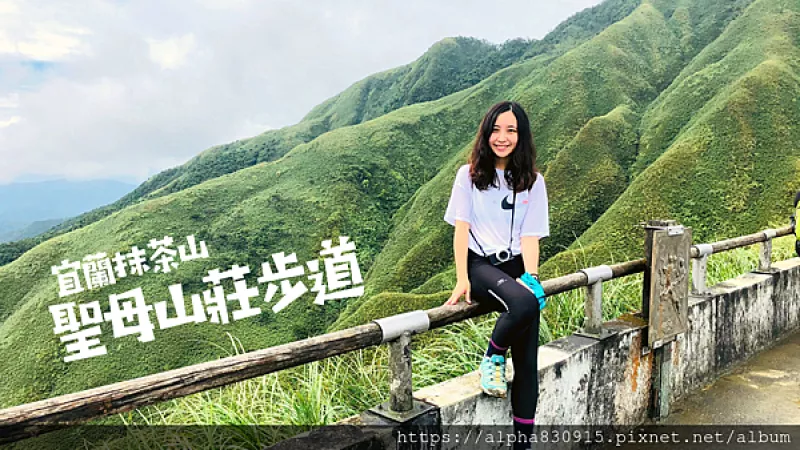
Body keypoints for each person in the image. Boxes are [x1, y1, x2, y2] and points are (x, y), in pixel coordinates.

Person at [443, 101, 549, 448]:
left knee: (527, 363)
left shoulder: (533, 182)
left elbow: (529, 235)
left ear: (522, 136)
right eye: (496, 130)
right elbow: (461, 230)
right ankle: (492, 355)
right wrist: (462, 277)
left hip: (515, 265)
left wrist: (531, 275)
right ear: (486, 132)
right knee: (523, 305)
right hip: (481, 266)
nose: (502, 138)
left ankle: (523, 443)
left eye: (511, 130)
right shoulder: (469, 175)